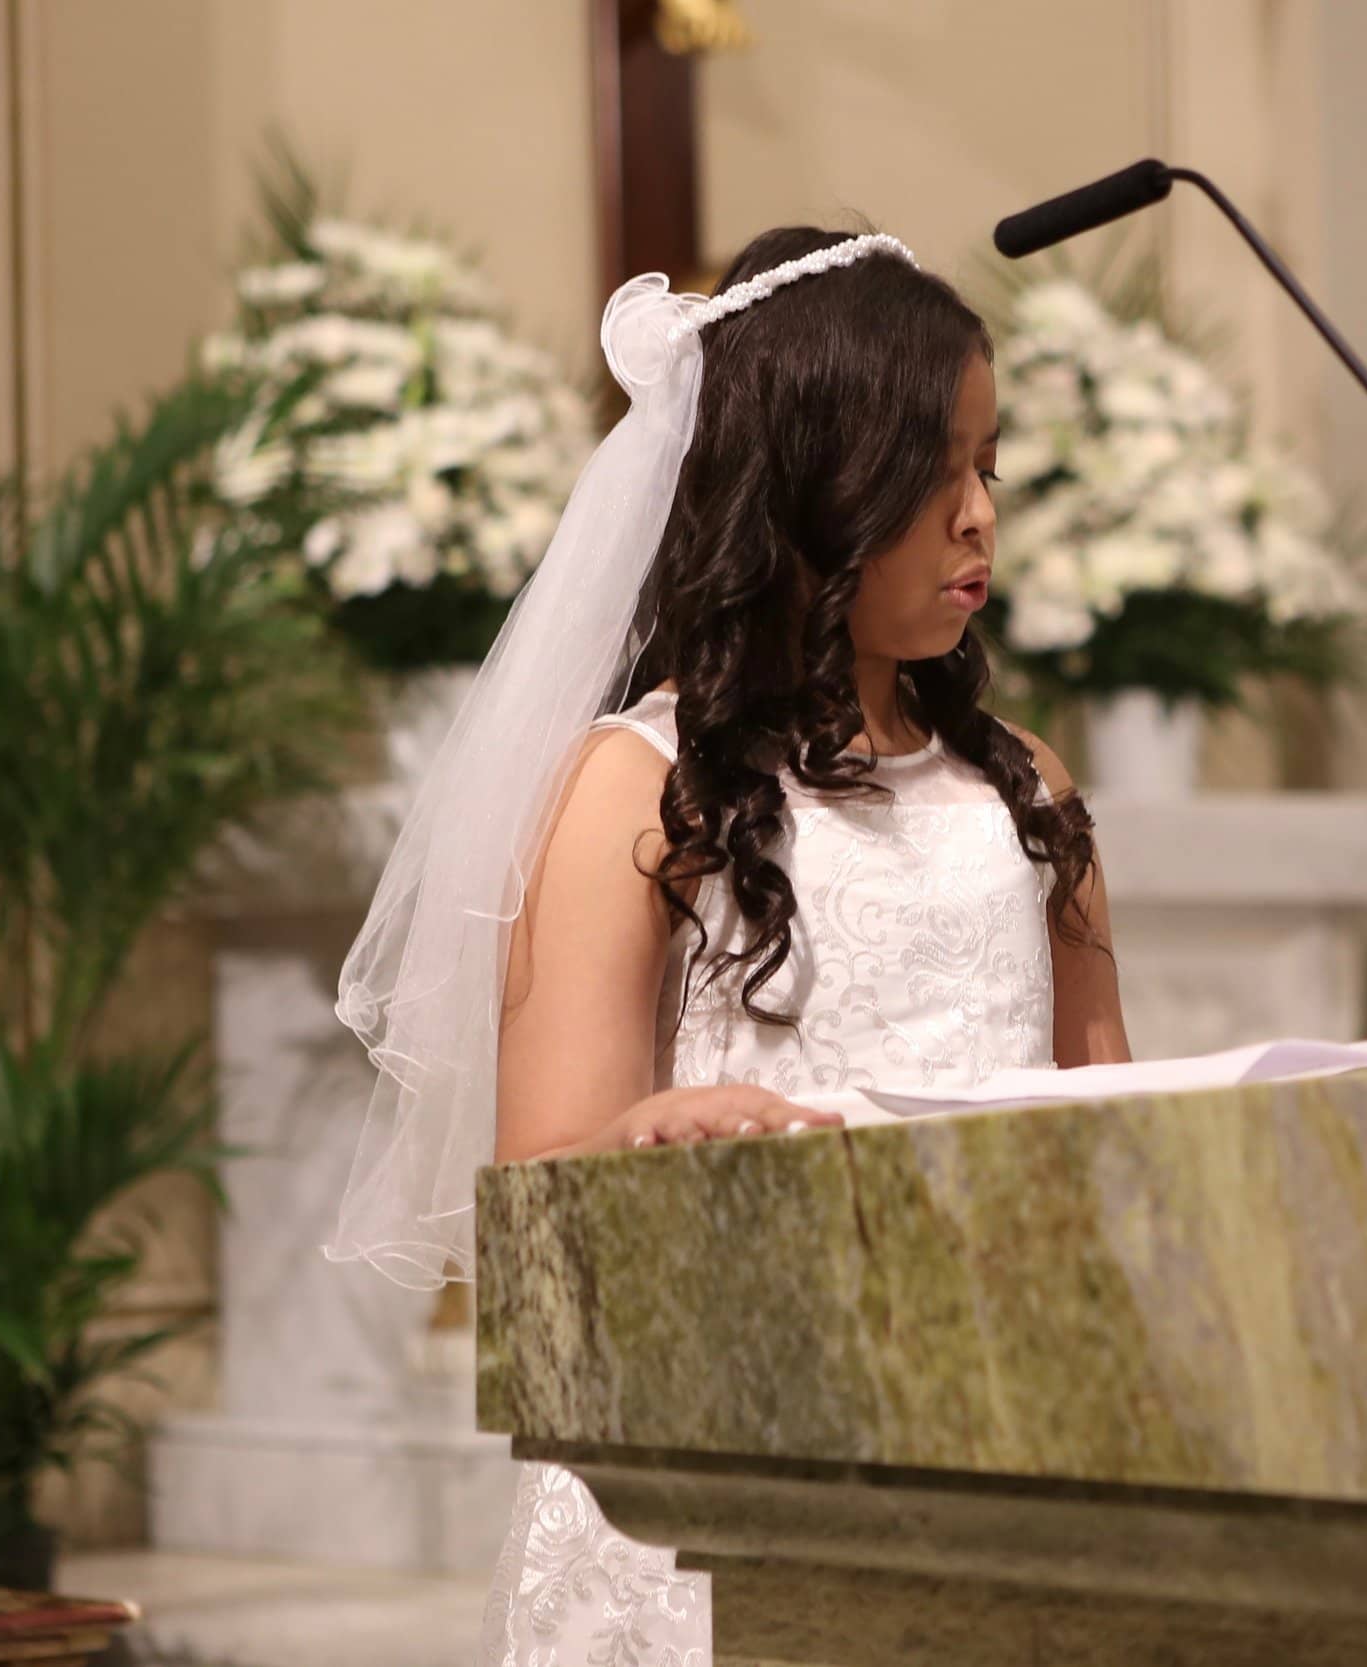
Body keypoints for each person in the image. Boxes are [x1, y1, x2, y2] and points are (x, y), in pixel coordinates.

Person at [323, 225, 1130, 1664]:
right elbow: (544, 1193)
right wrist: (661, 1128)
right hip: (721, 1454)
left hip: (998, 1428)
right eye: (929, 471)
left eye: (987, 466)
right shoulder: (638, 789)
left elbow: (1113, 1121)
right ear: (808, 482)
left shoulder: (1029, 790)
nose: (977, 520)